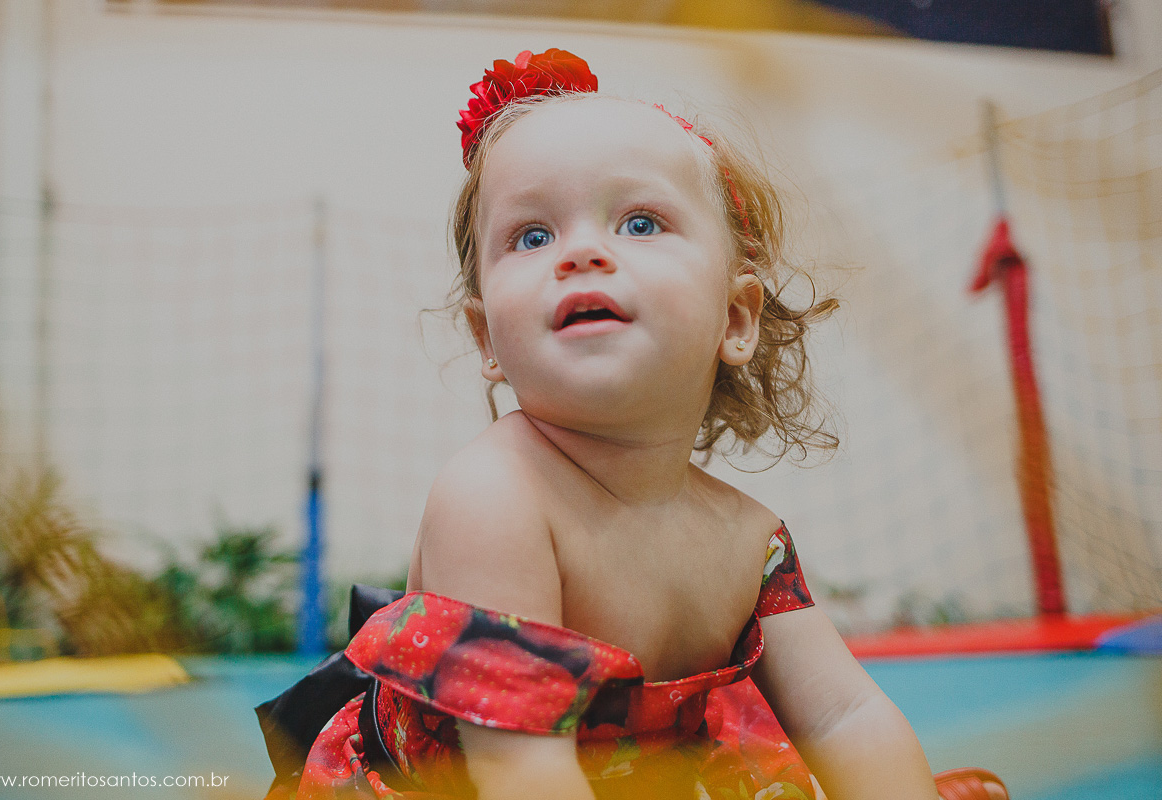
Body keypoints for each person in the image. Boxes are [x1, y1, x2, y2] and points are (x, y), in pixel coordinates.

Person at [257, 49, 1008, 800]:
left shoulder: (751, 541)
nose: (582, 253)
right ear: (487, 338)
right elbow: (519, 770)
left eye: (640, 222)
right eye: (532, 236)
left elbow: (845, 715)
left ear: (735, 318)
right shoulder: (493, 500)